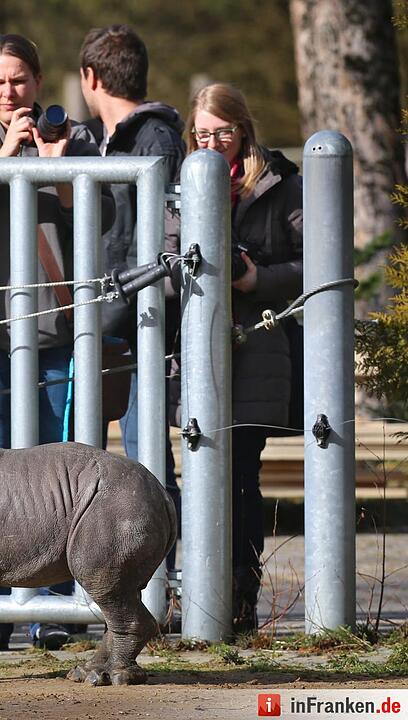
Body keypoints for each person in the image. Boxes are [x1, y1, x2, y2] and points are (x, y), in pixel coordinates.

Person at [0, 34, 114, 653]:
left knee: (57, 475)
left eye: (20, 81)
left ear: (39, 82)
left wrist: (58, 167)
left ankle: (59, 604)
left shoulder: (75, 135)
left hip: (59, 331)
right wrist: (1, 160)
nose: (10, 93)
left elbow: (104, 221)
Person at [167, 83, 303, 635]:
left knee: (241, 476)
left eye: (222, 131)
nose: (213, 142)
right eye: (202, 134)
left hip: (258, 349)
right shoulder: (180, 182)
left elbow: (310, 266)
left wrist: (254, 278)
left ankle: (241, 596)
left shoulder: (281, 183)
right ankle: (198, 592)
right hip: (197, 350)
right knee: (197, 471)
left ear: (243, 129)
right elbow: (170, 258)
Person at [77, 23, 182, 575]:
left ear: (89, 77)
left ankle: (158, 588)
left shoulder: (155, 139)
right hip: (108, 320)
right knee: (85, 464)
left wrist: (101, 309)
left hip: (139, 321)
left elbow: (156, 240)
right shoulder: (101, 140)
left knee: (147, 466)